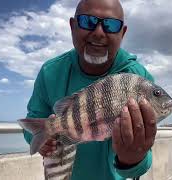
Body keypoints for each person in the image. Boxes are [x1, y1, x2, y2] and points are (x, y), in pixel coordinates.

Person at [22, 0, 157, 179]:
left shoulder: (139, 79)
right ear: (73, 26)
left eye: (111, 25)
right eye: (87, 21)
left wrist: (133, 158)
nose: (99, 32)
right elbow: (32, 123)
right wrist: (39, 141)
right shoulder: (50, 72)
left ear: (122, 33)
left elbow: (142, 162)